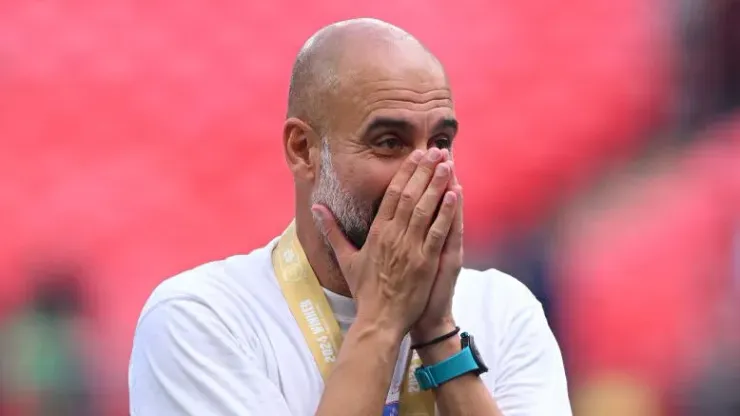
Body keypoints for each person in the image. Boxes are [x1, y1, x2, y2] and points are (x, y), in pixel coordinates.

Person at [128, 18, 571, 416]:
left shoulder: (505, 309)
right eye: (389, 142)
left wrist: (437, 333)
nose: (423, 172)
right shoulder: (201, 319)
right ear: (303, 150)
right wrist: (381, 322)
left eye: (440, 141)